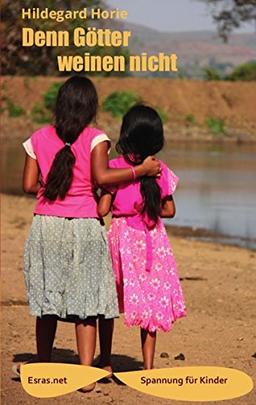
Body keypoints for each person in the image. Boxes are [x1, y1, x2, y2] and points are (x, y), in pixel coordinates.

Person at [19, 77, 160, 391]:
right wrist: (142, 171)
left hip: (46, 226)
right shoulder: (97, 138)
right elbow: (102, 176)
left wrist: (54, 187)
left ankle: (44, 365)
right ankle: (85, 375)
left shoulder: (38, 137)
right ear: (91, 106)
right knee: (87, 303)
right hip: (84, 226)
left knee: (47, 300)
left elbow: (29, 186)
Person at [98, 105, 186, 370]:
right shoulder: (159, 169)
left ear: (126, 134)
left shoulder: (114, 168)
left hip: (122, 239)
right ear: (157, 139)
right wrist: (147, 206)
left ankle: (105, 362)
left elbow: (103, 209)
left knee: (109, 301)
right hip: (152, 240)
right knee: (152, 301)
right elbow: (169, 210)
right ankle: (147, 367)